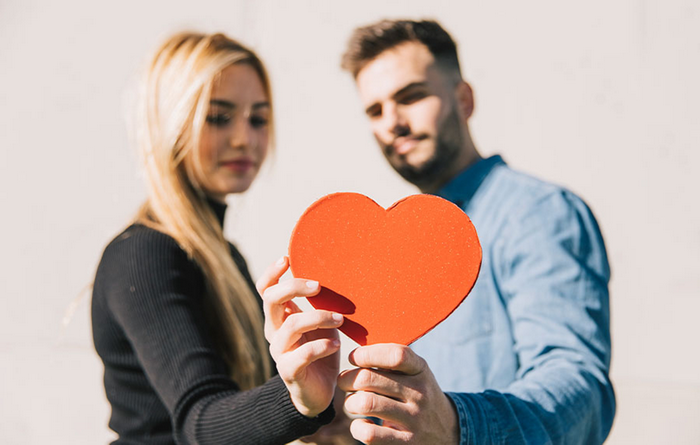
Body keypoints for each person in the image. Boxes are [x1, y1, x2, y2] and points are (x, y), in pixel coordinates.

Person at [326, 19, 615, 444]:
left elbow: (577, 387)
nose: (393, 122)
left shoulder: (536, 212)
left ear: (464, 99)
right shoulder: (401, 245)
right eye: (375, 110)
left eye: (411, 96)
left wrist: (456, 425)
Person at [91, 31, 344, 444]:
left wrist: (335, 405)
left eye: (258, 119)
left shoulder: (225, 257)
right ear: (168, 122)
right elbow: (201, 424)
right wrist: (299, 400)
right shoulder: (145, 252)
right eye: (218, 117)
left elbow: (256, 408)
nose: (245, 138)